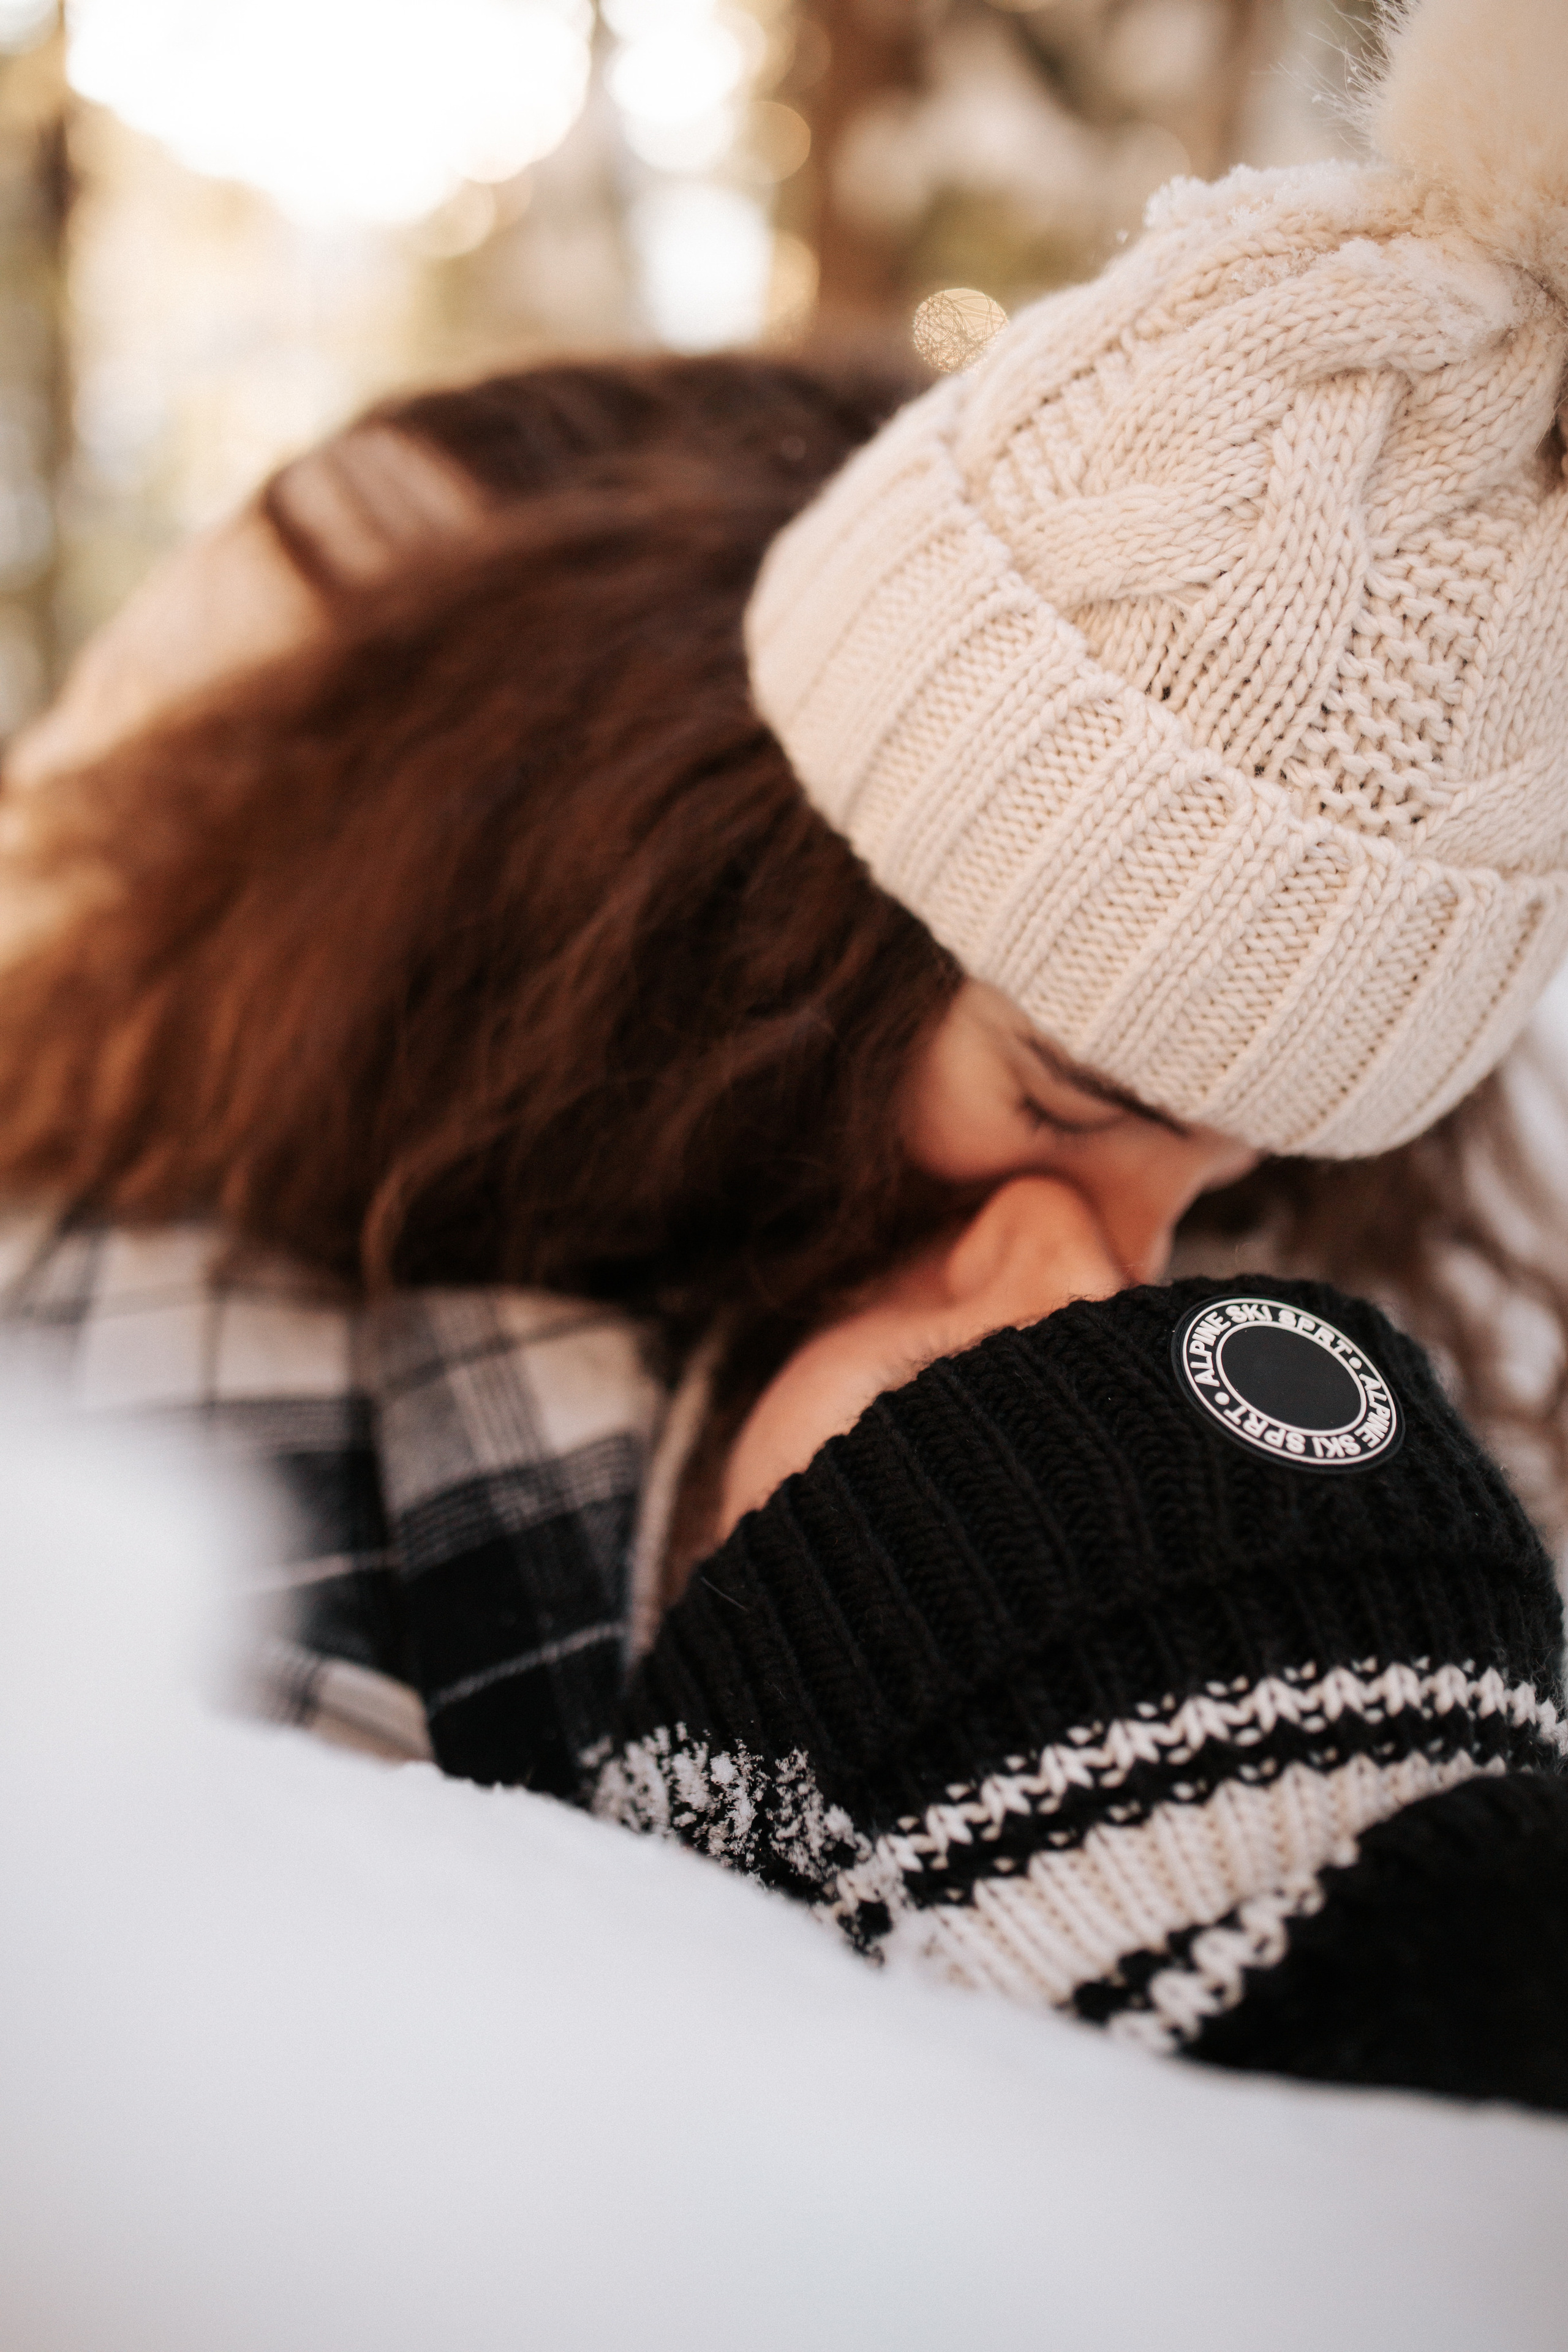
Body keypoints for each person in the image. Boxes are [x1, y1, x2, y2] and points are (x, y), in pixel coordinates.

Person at [1, 0, 1566, 2106]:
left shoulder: (1350, 1127)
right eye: (1069, 1103)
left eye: (1240, 1175)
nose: (1121, 1269)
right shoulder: (328, 673)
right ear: (798, 928)